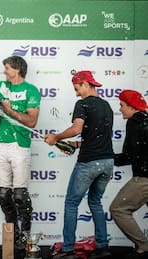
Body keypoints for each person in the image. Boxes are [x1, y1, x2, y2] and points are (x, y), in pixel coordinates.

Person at [44, 70, 114, 259]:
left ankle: (67, 250)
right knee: (96, 203)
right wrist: (74, 144)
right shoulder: (107, 106)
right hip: (107, 162)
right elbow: (97, 138)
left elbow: (77, 128)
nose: (76, 93)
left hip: (89, 162)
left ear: (85, 84)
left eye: (77, 88)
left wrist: (55, 137)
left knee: (71, 204)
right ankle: (103, 247)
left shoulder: (82, 103)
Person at [0, 55, 41, 250]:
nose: (4, 71)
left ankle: (26, 236)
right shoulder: (0, 85)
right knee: (4, 194)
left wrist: (9, 109)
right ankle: (12, 236)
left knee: (20, 195)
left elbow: (31, 121)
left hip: (20, 144)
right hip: (2, 144)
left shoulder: (31, 91)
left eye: (7, 68)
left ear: (17, 69)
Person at [109, 89, 148, 259]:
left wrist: (104, 156)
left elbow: (129, 156)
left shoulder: (134, 122)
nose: (120, 109)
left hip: (144, 178)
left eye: (122, 105)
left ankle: (143, 246)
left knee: (118, 209)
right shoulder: (145, 120)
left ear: (132, 107)